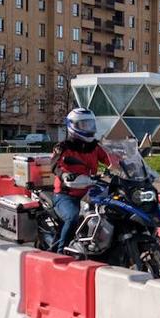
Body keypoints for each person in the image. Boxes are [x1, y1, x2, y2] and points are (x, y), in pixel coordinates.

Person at [50, 108, 110, 251]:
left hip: (89, 192)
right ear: (73, 126)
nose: (88, 128)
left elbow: (110, 159)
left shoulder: (94, 147)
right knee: (72, 217)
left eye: (90, 124)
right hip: (66, 194)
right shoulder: (63, 147)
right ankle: (61, 252)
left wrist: (126, 164)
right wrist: (63, 175)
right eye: (84, 125)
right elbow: (54, 165)